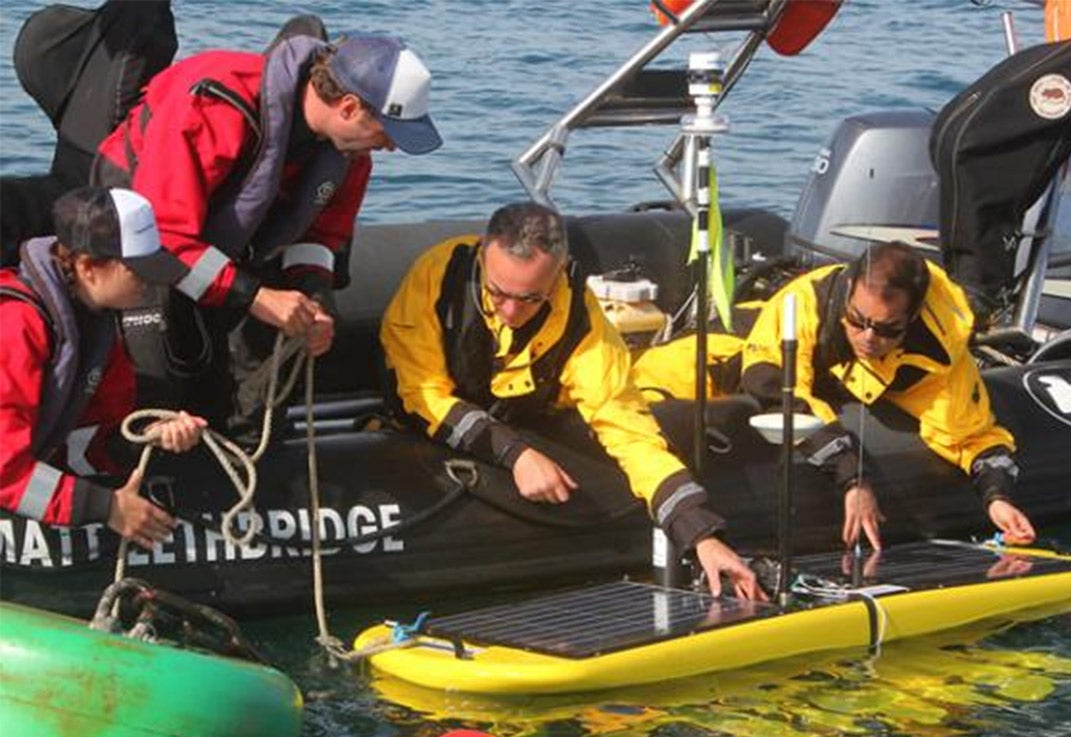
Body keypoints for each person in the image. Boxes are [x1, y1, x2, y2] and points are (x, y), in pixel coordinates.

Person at [380, 202, 767, 601]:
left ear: (559, 274)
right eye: (497, 293)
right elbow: (420, 393)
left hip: (527, 418)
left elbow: (628, 430)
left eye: (530, 298)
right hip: (429, 427)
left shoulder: (581, 322)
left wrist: (701, 534)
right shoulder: (438, 279)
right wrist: (516, 454)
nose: (511, 311)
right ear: (483, 255)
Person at [91, 31, 442, 440]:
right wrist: (254, 297)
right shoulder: (216, 104)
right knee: (159, 386)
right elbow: (162, 235)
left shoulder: (348, 156)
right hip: (139, 247)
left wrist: (313, 302)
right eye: (388, 133)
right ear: (349, 108)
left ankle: (249, 447)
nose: (390, 148)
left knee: (256, 393)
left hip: (235, 252)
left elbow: (321, 236)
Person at [741, 241, 1037, 551]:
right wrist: (852, 477)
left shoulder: (935, 352)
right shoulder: (804, 303)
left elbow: (969, 434)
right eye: (857, 320)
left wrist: (997, 498)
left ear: (911, 318)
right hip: (744, 342)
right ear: (849, 290)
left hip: (858, 380)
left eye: (886, 329)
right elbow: (774, 386)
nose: (868, 338)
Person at [1, 187, 206, 549]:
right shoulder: (15, 327)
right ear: (87, 268)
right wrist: (105, 507)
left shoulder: (95, 327)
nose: (149, 283)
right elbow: (3, 469)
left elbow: (96, 438)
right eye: (137, 271)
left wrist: (152, 435)